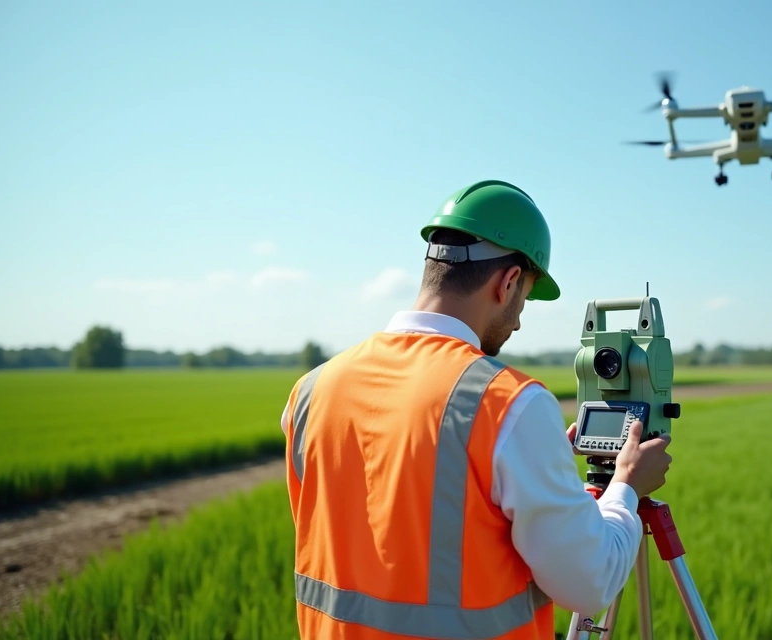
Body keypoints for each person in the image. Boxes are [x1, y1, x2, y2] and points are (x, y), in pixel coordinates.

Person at [279, 179, 673, 640]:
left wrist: (545, 477)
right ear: (507, 283)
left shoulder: (310, 391)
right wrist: (626, 486)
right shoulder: (508, 404)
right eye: (524, 298)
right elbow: (590, 584)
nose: (520, 319)